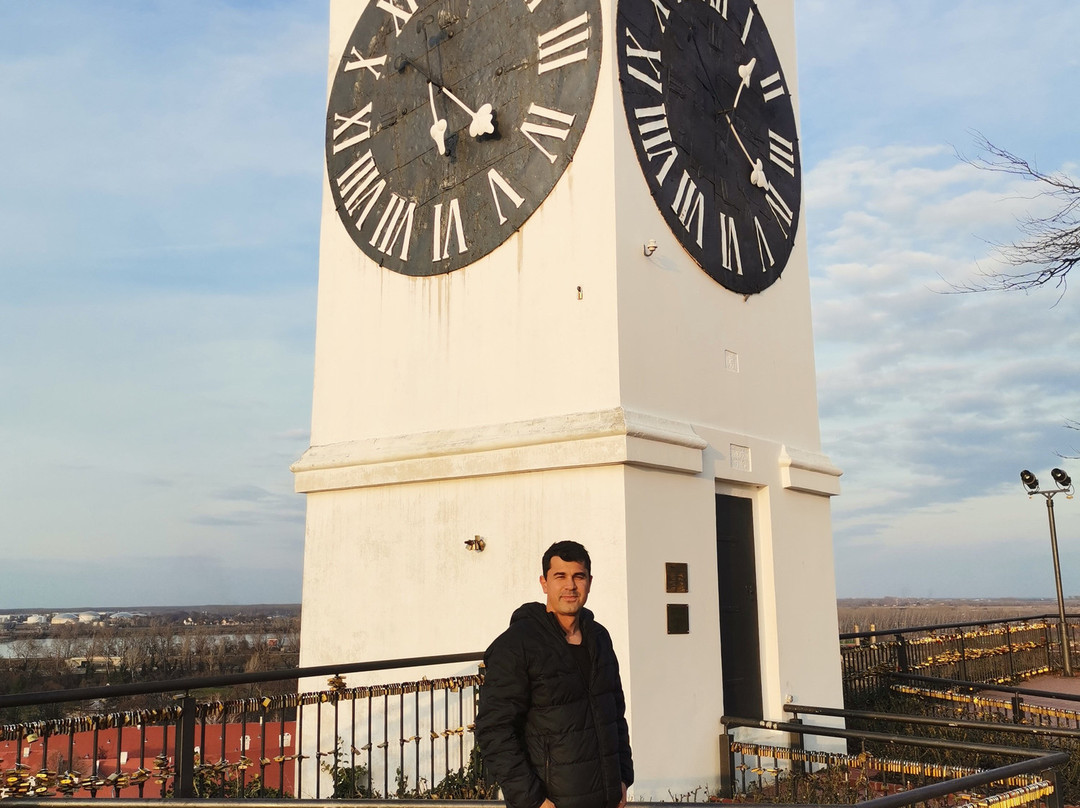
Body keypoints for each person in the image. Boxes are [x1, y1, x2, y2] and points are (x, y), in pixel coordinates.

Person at [475, 541, 633, 808]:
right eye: (560, 576)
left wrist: (623, 778)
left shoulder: (599, 638)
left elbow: (615, 715)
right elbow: (494, 730)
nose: (570, 586)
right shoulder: (517, 645)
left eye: (578, 576)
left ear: (589, 582)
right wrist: (532, 800)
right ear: (544, 583)